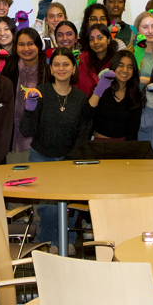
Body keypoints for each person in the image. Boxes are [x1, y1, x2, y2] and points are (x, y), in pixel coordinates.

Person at [21, 47, 94, 253]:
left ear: (73, 69)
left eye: (66, 64)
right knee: (48, 207)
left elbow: (84, 133)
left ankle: (65, 240)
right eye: (56, 65)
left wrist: (70, 160)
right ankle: (48, 241)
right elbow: (26, 130)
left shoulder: (80, 97)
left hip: (68, 160)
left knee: (67, 206)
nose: (61, 68)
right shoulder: (40, 92)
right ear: (51, 69)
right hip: (41, 156)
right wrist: (29, 108)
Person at [1, 28, 51, 161]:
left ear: (38, 46)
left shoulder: (48, 69)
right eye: (21, 44)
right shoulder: (10, 67)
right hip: (13, 141)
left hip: (40, 143)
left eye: (30, 43)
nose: (26, 48)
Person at [88, 50, 141, 141]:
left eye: (129, 67)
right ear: (113, 66)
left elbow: (133, 130)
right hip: (97, 144)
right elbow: (86, 114)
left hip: (122, 147)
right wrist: (98, 91)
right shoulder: (102, 88)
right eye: (121, 65)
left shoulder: (135, 95)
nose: (125, 70)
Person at [75, 24, 118, 95]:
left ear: (108, 40)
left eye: (99, 38)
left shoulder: (118, 61)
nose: (95, 42)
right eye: (91, 39)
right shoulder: (81, 61)